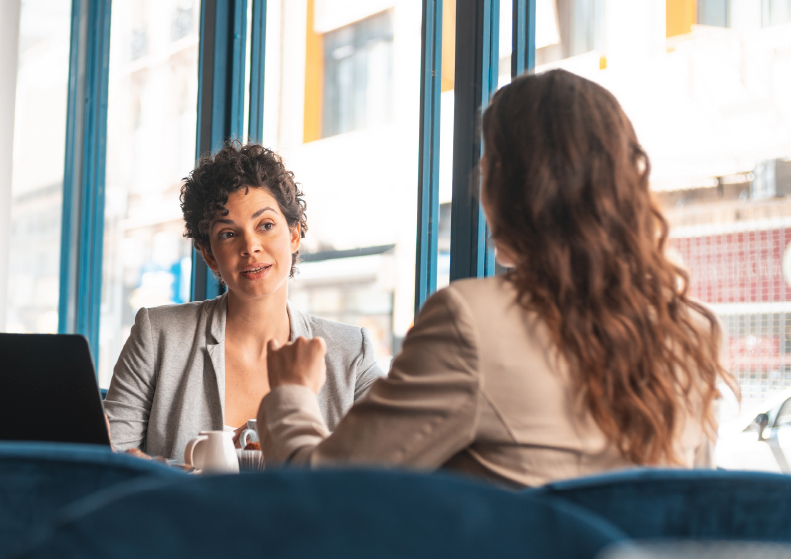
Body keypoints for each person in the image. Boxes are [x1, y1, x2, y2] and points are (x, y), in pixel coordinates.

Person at [258, 70, 730, 487]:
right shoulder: (692, 332)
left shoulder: (472, 319)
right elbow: (693, 509)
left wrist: (293, 392)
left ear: (512, 186)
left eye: (486, 168)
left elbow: (330, 491)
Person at [104, 142, 383, 461]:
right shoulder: (158, 334)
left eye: (266, 226)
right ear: (209, 255)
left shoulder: (350, 352)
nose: (250, 246)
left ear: (293, 235)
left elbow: (384, 468)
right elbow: (112, 461)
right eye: (228, 234)